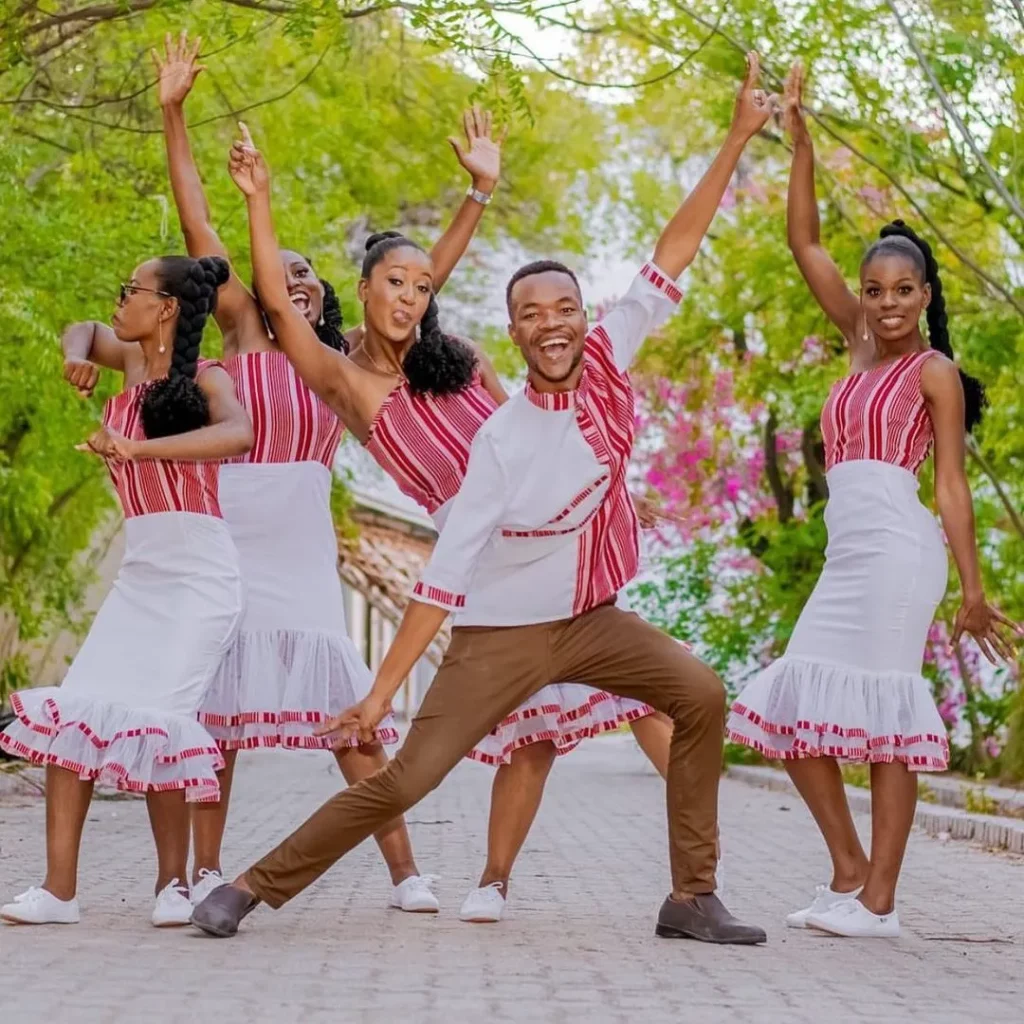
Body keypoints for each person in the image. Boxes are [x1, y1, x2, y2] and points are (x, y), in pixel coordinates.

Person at [190, 53, 776, 943]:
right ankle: (247, 888)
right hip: (496, 618)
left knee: (697, 692)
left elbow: (669, 255)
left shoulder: (477, 362)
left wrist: (735, 137)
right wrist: (259, 202)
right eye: (396, 283)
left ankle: (691, 895)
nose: (413, 297)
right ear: (367, 293)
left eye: (424, 288)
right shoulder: (394, 404)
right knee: (405, 778)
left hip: (584, 606)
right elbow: (438, 584)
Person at [148, 31, 505, 910]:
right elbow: (203, 234)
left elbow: (424, 282)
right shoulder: (236, 336)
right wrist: (174, 116)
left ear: (329, 297)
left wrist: (476, 195)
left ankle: (406, 871)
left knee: (349, 718)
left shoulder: (340, 362)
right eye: (286, 271)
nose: (297, 281)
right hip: (231, 537)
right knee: (217, 721)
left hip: (302, 544)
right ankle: (195, 872)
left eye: (310, 275)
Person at [726, 64, 1021, 939]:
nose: (886, 303)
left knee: (889, 715)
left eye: (903, 292)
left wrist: (970, 590)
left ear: (926, 298)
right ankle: (848, 872)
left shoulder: (934, 373)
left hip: (901, 549)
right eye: (875, 289)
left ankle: (881, 903)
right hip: (849, 551)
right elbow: (804, 242)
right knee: (792, 705)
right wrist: (802, 137)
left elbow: (953, 487)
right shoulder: (857, 344)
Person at [1, 255, 253, 928]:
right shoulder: (129, 361)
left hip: (200, 577)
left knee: (157, 720)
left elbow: (241, 433)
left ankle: (172, 886)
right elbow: (79, 326)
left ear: (166, 307)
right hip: (142, 574)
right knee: (77, 714)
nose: (118, 302)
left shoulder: (206, 376)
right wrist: (74, 356)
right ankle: (58, 892)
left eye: (130, 293)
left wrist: (139, 451)